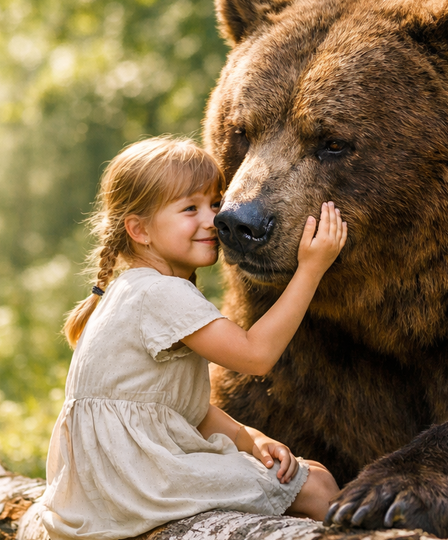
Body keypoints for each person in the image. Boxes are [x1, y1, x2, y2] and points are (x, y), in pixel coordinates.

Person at [40, 136, 345, 540]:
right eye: (190, 209)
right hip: (137, 483)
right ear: (139, 230)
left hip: (101, 488)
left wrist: (251, 439)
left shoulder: (129, 289)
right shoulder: (161, 293)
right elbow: (256, 355)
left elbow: (175, 407)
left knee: (302, 474)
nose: (211, 220)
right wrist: (311, 268)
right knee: (318, 485)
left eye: (215, 204)